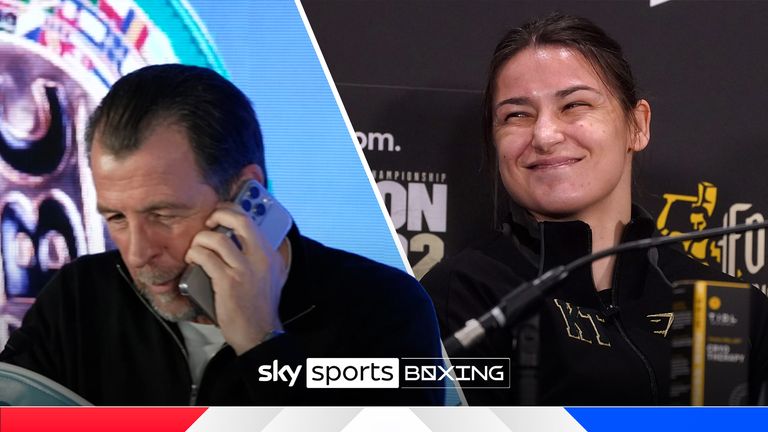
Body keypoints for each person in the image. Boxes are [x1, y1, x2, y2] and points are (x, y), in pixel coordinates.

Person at [0, 64, 445, 405]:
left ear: (244, 192)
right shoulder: (80, 298)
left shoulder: (385, 311)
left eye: (163, 214)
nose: (138, 253)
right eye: (116, 218)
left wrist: (262, 345)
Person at [421, 13, 768, 405]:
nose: (545, 135)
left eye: (574, 105)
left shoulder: (728, 306)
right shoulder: (462, 294)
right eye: (516, 115)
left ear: (637, 125)